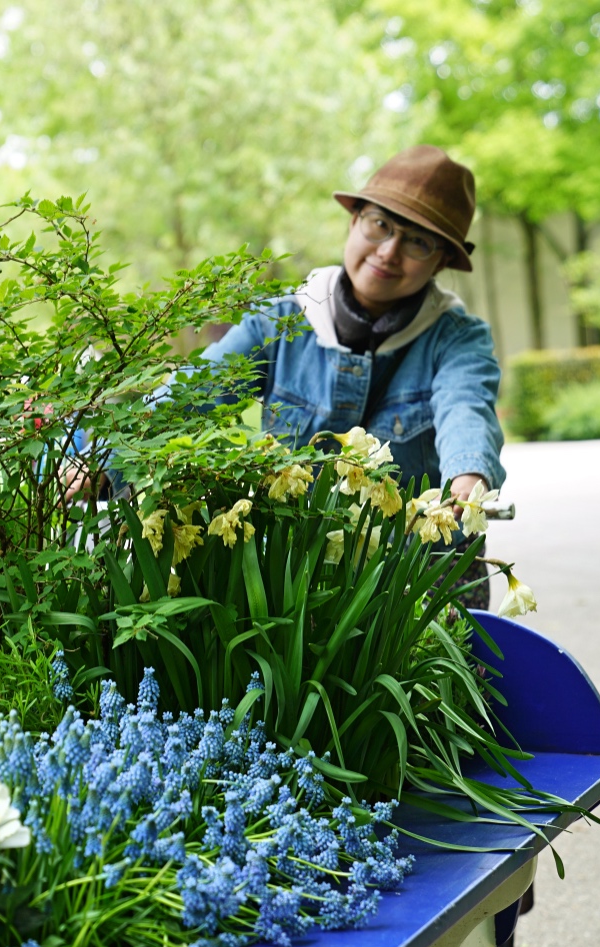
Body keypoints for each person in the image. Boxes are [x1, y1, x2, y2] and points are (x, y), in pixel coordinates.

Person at [201, 145, 504, 607]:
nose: (388, 252)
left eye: (418, 241)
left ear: (441, 260)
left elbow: (466, 405)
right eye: (380, 224)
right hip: (292, 564)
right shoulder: (278, 323)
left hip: (417, 567)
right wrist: (106, 459)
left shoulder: (456, 338)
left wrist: (467, 478)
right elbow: (192, 393)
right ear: (354, 220)